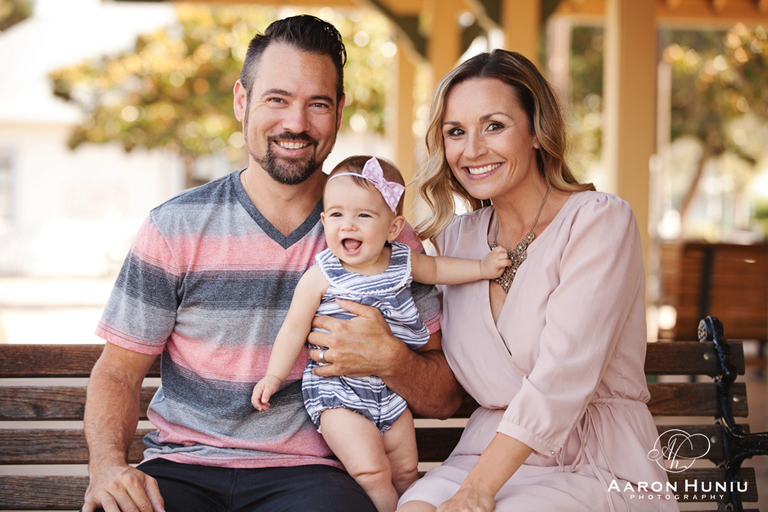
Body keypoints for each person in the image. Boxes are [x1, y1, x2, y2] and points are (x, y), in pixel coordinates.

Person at [82, 15, 462, 512]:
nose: (296, 123)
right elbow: (117, 373)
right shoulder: (175, 226)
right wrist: (107, 466)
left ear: (339, 112)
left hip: (314, 477)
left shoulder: (384, 237)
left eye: (317, 104)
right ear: (242, 101)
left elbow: (445, 399)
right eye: (277, 99)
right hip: (183, 468)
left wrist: (390, 358)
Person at [397, 50, 678, 512]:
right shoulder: (454, 242)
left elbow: (561, 379)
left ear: (535, 131)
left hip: (594, 459)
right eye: (455, 132)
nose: (472, 150)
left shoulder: (598, 221)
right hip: (482, 452)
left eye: (494, 126)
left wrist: (476, 492)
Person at [251, 155, 510, 512]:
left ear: (393, 227)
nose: (348, 226)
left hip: (390, 392)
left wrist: (482, 268)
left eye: (364, 215)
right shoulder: (322, 274)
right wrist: (273, 375)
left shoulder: (403, 260)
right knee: (372, 471)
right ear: (324, 221)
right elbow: (294, 328)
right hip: (337, 392)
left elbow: (437, 268)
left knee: (405, 470)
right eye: (337, 215)